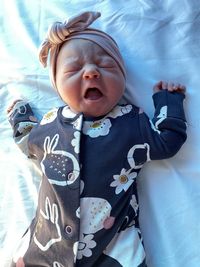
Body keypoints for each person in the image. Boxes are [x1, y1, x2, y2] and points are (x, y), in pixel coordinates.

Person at [7, 11, 187, 267]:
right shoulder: (50, 123)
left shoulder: (131, 122)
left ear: (123, 80)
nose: (91, 72)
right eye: (74, 68)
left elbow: (167, 141)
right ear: (57, 85)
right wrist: (20, 115)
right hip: (46, 249)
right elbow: (28, 142)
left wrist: (169, 102)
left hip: (113, 249)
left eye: (105, 65)